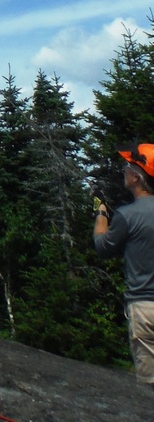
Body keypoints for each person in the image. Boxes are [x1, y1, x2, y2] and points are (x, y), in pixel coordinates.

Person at [94, 141, 154, 387]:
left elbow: (103, 247)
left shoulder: (127, 216)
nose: (123, 171)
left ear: (137, 177)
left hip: (144, 308)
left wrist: (100, 213)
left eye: (127, 166)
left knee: (150, 383)